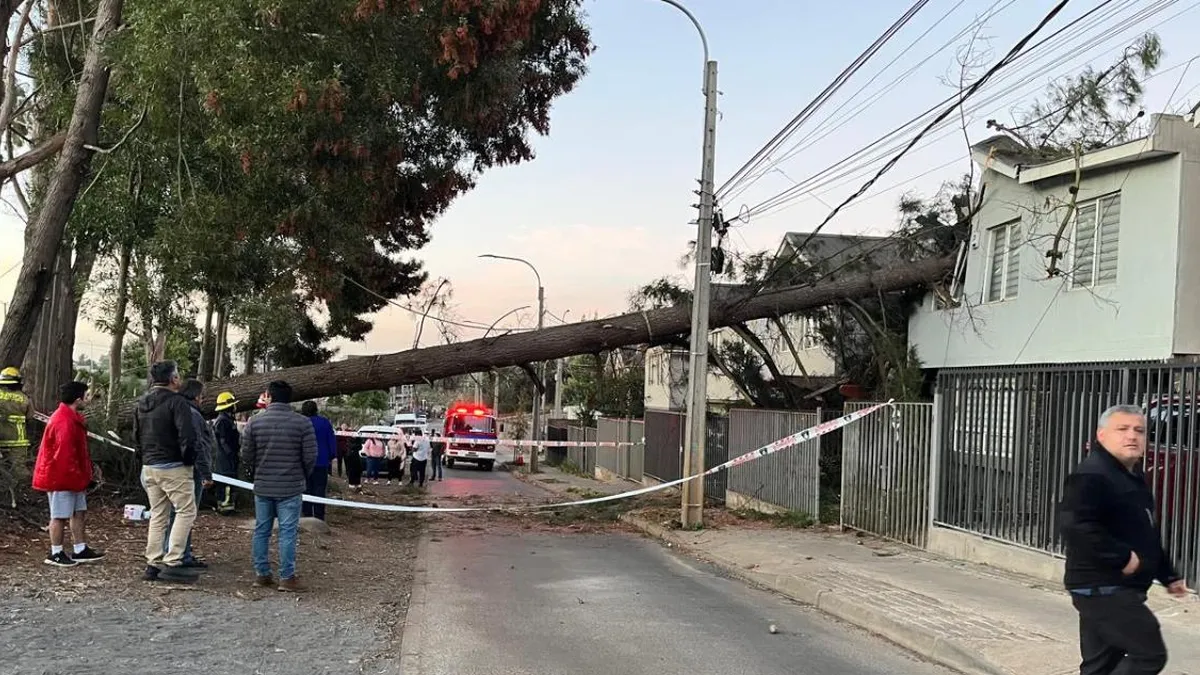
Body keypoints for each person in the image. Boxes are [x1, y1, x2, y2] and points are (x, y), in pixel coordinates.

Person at [1059, 404, 1191, 675]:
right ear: (1102, 435)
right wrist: (1120, 557)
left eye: (1139, 431)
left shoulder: (1130, 476)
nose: (1132, 436)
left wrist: (1168, 575)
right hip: (1103, 588)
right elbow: (1076, 526)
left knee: (1100, 667)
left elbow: (1144, 533)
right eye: (1122, 429)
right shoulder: (1091, 475)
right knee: (1149, 655)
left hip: (1111, 589)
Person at [241, 380, 316, 592]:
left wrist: (255, 472)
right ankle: (287, 577)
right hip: (291, 486)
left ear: (269, 396)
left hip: (263, 484)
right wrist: (302, 474)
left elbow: (246, 454)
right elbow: (310, 456)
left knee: (261, 530)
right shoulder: (302, 423)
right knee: (287, 532)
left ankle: (262, 573)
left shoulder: (254, 422)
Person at [134, 360, 200, 583]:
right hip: (174, 466)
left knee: (158, 515)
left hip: (150, 466)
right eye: (177, 374)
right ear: (173, 379)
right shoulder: (177, 402)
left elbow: (136, 435)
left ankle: (152, 563)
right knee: (186, 511)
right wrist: (189, 461)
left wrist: (143, 460)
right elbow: (187, 435)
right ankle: (174, 560)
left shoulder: (142, 402)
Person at [32, 381, 104, 567]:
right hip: (61, 477)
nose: (88, 399)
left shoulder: (72, 418)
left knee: (78, 512)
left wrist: (83, 476)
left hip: (73, 476)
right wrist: (78, 477)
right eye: (86, 396)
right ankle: (56, 552)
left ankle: (80, 549)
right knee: (59, 515)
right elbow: (64, 455)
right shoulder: (64, 421)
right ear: (78, 399)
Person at [162, 378, 214, 569]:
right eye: (202, 395)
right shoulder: (191, 414)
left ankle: (173, 550)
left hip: (173, 467)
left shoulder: (175, 410)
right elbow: (197, 445)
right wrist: (206, 472)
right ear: (196, 395)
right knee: (185, 514)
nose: (203, 399)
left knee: (176, 513)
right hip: (190, 470)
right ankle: (180, 554)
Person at [0, 366, 33, 502]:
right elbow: (30, 416)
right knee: (19, 469)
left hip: (1, 438)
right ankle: (22, 496)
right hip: (18, 440)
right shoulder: (24, 398)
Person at [300, 400, 336, 520]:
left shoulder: (301, 422)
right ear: (316, 410)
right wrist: (330, 456)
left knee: (305, 489)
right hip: (321, 461)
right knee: (320, 489)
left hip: (303, 462)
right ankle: (319, 516)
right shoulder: (324, 422)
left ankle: (307, 515)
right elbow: (331, 441)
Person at [212, 391, 240, 514]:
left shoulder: (227, 419)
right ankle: (224, 506)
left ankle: (229, 505)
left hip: (227, 457)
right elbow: (223, 441)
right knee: (226, 482)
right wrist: (231, 454)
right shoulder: (222, 421)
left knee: (230, 481)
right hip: (225, 459)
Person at [344, 427, 364, 493]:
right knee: (351, 470)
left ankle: (358, 483)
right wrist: (355, 446)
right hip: (350, 456)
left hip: (356, 456)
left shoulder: (358, 439)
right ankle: (351, 483)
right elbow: (350, 446)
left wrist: (357, 441)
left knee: (358, 470)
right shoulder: (348, 439)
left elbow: (360, 447)